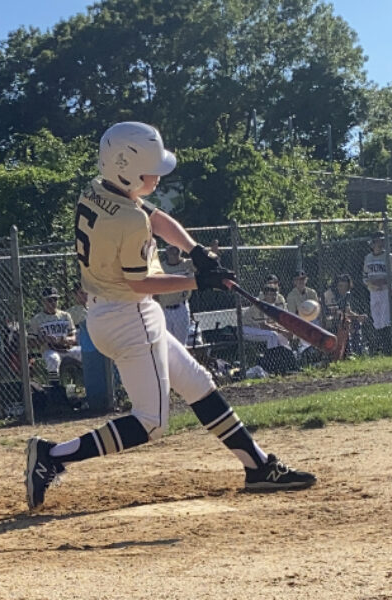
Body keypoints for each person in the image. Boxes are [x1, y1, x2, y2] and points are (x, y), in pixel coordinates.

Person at [25, 121, 314, 510]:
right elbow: (141, 284)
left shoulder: (98, 189)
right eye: (151, 170)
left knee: (197, 383)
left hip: (109, 312)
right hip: (130, 316)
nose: (158, 177)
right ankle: (52, 456)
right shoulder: (127, 221)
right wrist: (197, 282)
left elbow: (155, 219)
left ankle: (257, 465)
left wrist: (195, 251)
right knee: (151, 422)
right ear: (126, 168)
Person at [27, 287, 81, 402]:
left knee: (84, 353)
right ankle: (56, 391)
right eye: (49, 300)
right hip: (49, 349)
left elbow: (74, 337)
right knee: (53, 359)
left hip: (67, 348)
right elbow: (30, 342)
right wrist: (43, 340)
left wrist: (65, 339)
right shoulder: (37, 319)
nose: (53, 303)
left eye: (55, 299)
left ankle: (92, 384)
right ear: (44, 302)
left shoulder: (65, 316)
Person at [363, 231, 392, 354]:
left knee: (386, 318)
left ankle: (389, 348)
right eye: (378, 241)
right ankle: (380, 347)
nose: (380, 243)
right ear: (372, 243)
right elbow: (365, 276)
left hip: (386, 291)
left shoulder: (389, 257)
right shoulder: (368, 258)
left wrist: (384, 281)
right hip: (373, 291)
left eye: (382, 241)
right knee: (377, 319)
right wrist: (371, 283)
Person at [153, 245, 196, 345]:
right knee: (166, 344)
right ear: (166, 251)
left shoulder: (188, 264)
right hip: (165, 309)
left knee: (180, 345)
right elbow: (154, 291)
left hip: (180, 308)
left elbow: (205, 265)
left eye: (176, 249)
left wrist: (212, 253)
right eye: (171, 249)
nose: (173, 252)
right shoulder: (161, 267)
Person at [323, 274, 367, 356]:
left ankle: (356, 351)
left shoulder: (346, 295)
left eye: (345, 287)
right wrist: (350, 316)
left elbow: (348, 311)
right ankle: (346, 352)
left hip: (343, 319)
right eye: (340, 286)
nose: (342, 289)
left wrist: (358, 317)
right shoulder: (329, 294)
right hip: (329, 319)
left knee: (356, 323)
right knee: (344, 321)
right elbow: (333, 312)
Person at [242, 285, 293, 350]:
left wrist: (285, 331)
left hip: (259, 329)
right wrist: (282, 331)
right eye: (271, 295)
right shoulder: (259, 306)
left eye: (275, 295)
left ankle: (287, 354)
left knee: (281, 335)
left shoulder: (273, 306)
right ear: (265, 295)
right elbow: (263, 326)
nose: (274, 297)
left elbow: (273, 324)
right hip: (246, 329)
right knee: (272, 335)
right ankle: (271, 356)